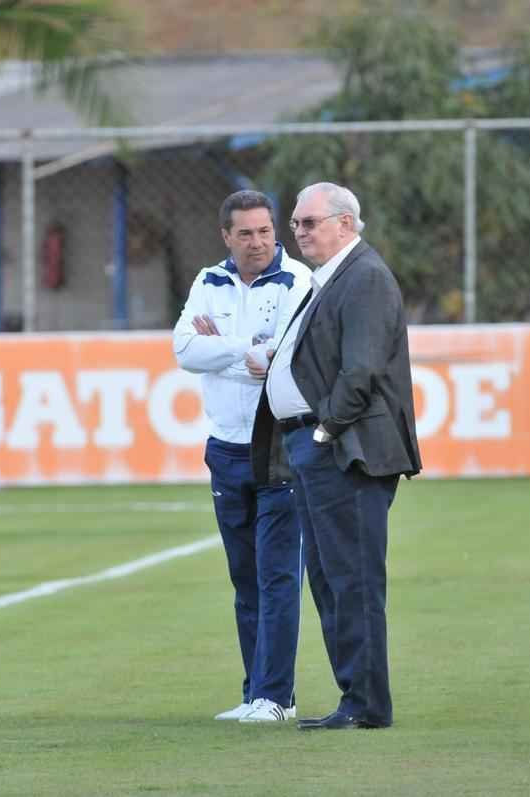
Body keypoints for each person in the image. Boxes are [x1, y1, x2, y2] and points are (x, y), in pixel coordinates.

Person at [248, 182, 421, 730]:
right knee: (329, 579)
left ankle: (367, 704)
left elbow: (362, 370)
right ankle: (356, 698)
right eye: (296, 224)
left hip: (345, 452)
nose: (297, 233)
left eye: (309, 223)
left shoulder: (364, 277)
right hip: (319, 449)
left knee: (352, 580)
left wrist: (323, 432)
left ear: (345, 224)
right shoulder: (333, 279)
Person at [173, 189, 311, 723]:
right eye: (246, 233)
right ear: (226, 236)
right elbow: (186, 350)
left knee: (278, 576)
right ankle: (258, 691)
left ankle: (276, 697)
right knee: (245, 578)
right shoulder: (209, 281)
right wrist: (242, 349)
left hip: (279, 445)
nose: (259, 242)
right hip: (225, 447)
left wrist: (223, 347)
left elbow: (286, 357)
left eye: (266, 231)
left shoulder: (298, 281)